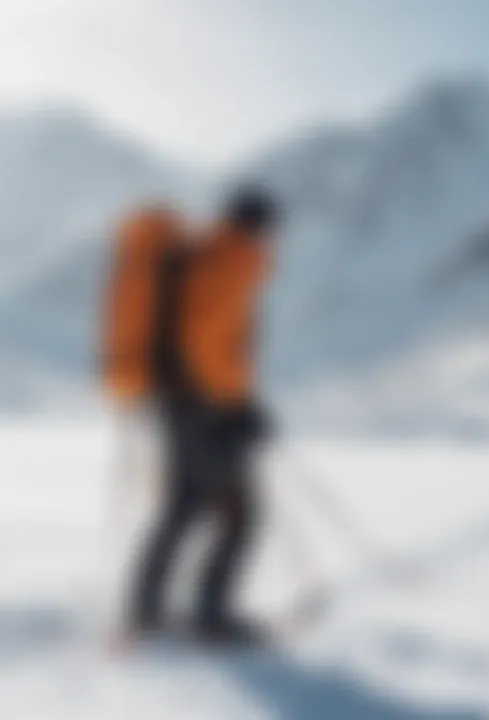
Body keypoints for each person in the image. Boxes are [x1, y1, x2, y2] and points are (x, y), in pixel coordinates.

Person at [102, 186, 279, 645]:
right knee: (238, 514)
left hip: (178, 401)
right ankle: (208, 617)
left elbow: (206, 344)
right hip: (202, 406)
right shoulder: (230, 262)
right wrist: (237, 411)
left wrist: (241, 404)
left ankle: (147, 610)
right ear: (260, 226)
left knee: (187, 506)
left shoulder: (203, 256)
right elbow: (208, 348)